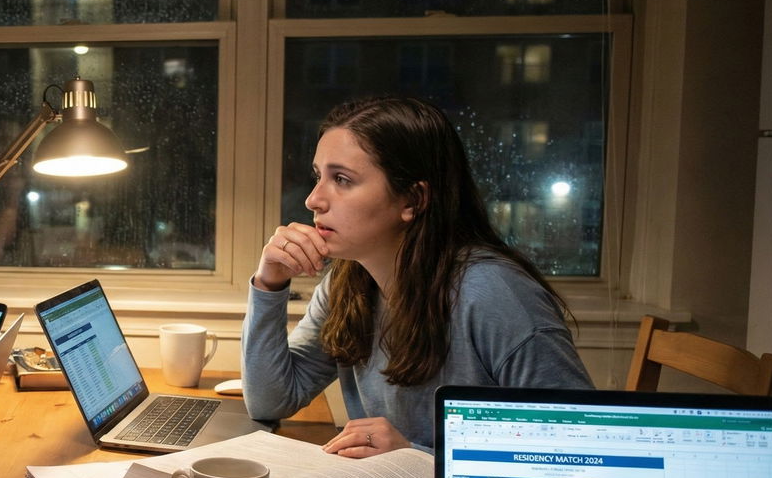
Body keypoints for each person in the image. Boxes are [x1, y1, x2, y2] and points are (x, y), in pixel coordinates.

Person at [243, 95, 591, 455]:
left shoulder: (494, 294)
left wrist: (414, 458)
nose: (313, 199)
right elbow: (270, 401)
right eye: (319, 176)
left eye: (342, 179)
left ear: (412, 200)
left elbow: (577, 448)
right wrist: (270, 283)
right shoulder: (348, 281)